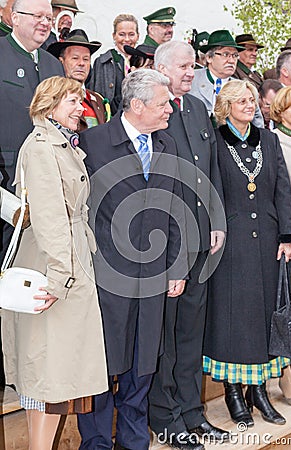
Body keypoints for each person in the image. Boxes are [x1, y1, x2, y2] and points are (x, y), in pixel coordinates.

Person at [77, 69, 188, 450]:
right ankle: (95, 442)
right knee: (104, 361)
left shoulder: (168, 145)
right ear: (136, 105)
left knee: (143, 361)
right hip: (105, 276)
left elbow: (175, 207)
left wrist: (176, 266)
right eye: (163, 104)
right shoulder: (92, 143)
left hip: (154, 275)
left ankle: (133, 440)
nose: (170, 110)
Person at [1, 75, 108, 450]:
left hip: (65, 259)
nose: (81, 108)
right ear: (48, 105)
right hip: (55, 265)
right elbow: (48, 217)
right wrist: (61, 278)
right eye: (72, 102)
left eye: (80, 101)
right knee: (48, 377)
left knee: (50, 378)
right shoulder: (44, 147)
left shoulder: (59, 144)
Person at [203, 79, 291, 428]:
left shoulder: (270, 140)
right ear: (226, 107)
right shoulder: (214, 142)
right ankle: (233, 393)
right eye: (242, 100)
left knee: (262, 318)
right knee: (233, 319)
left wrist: (288, 235)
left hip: (269, 242)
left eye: (252, 99)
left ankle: (257, 392)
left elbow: (282, 190)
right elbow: (210, 190)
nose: (251, 105)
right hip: (231, 244)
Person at [148, 40, 228, 450]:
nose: (188, 71)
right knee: (166, 335)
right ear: (161, 68)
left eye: (191, 66)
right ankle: (166, 419)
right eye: (182, 65)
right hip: (164, 243)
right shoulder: (151, 110)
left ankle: (193, 413)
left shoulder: (196, 108)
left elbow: (210, 167)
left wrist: (216, 220)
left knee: (191, 333)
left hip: (200, 241)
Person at [0, 0, 64, 387]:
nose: (44, 23)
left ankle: (25, 367)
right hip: (7, 189)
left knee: (31, 282)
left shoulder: (54, 66)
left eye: (48, 17)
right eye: (36, 16)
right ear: (12, 18)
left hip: (45, 191)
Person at [270, 85, 291, 408]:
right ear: (280, 110)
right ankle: (285, 372)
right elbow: (276, 191)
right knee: (289, 306)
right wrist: (287, 232)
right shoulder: (274, 141)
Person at [190, 29, 264, 128]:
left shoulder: (241, 86)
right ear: (209, 58)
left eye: (235, 56)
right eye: (225, 55)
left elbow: (257, 121)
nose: (231, 60)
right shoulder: (191, 79)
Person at [47, 28, 111, 130]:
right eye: (75, 58)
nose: (81, 63)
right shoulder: (52, 97)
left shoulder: (99, 100)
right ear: (61, 61)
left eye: (86, 59)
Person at [87, 13, 139, 115]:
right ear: (114, 36)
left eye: (131, 34)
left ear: (138, 36)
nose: (127, 39)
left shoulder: (143, 62)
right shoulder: (103, 62)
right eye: (122, 34)